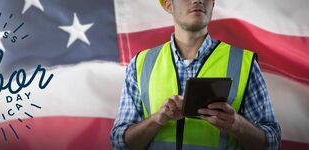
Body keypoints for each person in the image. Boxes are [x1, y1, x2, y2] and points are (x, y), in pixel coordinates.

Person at [110, 0, 281, 149]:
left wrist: (236, 124)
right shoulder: (141, 63)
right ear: (169, 5)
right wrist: (156, 120)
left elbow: (272, 143)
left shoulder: (244, 63)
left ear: (212, 4)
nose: (197, 0)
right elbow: (121, 143)